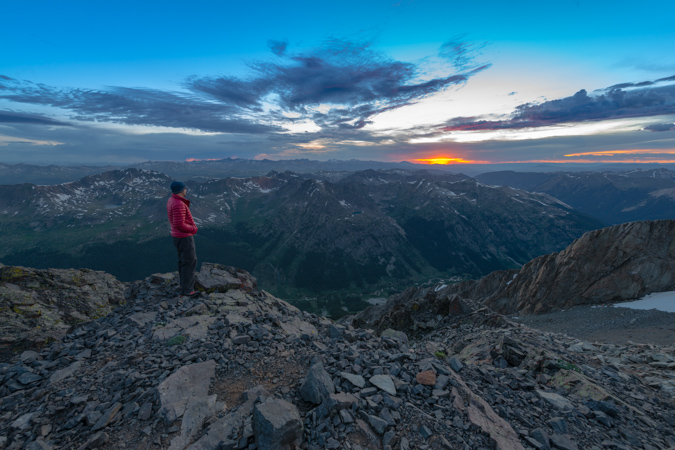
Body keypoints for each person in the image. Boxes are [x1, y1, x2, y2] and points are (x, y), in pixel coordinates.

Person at [167, 181, 199, 297]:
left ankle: (183, 285)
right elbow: (179, 224)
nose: (186, 190)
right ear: (181, 190)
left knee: (183, 261)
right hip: (184, 237)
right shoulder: (178, 203)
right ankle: (188, 290)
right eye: (185, 188)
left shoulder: (172, 200)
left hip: (177, 236)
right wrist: (193, 229)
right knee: (190, 262)